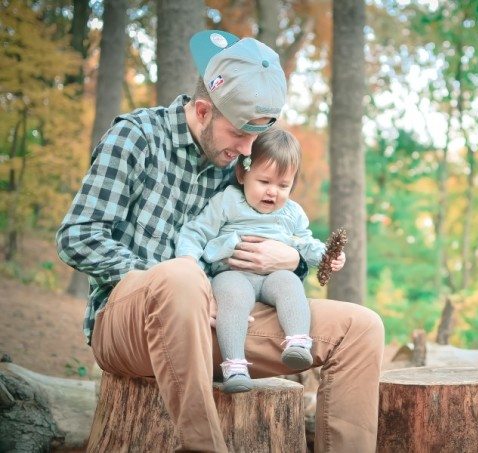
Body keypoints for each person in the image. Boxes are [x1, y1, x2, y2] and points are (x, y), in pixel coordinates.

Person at [56, 29, 384, 452]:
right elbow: (77, 236)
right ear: (203, 109)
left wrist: (292, 261)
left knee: (360, 328)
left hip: (226, 323)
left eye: (256, 135)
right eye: (240, 133)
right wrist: (168, 283)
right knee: (181, 276)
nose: (248, 150)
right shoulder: (137, 138)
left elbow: (279, 226)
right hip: (130, 324)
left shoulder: (238, 162)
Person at [175, 127, 346, 393]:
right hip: (232, 273)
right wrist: (189, 266)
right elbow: (195, 232)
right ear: (243, 174)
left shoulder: (291, 213)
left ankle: (298, 343)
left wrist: (329, 255)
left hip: (271, 278)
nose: (272, 192)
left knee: (289, 283)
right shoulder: (227, 202)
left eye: (283, 185)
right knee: (233, 297)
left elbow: (305, 242)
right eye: (264, 182)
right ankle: (234, 366)